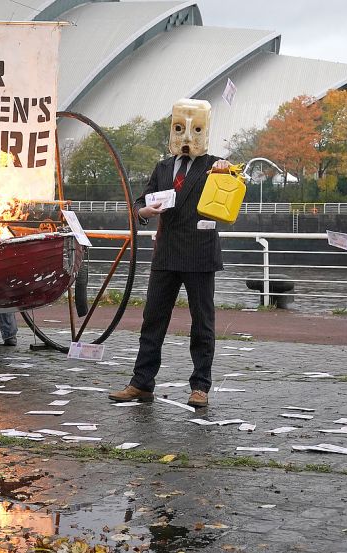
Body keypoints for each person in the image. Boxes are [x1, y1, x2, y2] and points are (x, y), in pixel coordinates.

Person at [108, 99, 230, 408]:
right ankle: (141, 383)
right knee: (153, 319)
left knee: (202, 322)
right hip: (166, 254)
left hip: (199, 255)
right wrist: (144, 212)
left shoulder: (215, 165)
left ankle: (200, 386)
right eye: (180, 129)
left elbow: (232, 193)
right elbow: (139, 203)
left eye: (195, 129)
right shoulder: (162, 167)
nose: (187, 137)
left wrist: (227, 172)